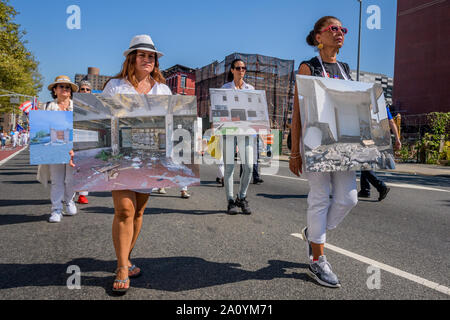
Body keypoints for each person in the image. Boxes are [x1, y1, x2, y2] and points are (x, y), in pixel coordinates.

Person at [289, 16, 357, 288]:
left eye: (343, 29)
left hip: (342, 146)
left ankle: (313, 233)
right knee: (319, 199)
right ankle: (318, 260)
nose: (340, 33)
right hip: (315, 144)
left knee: (348, 199)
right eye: (333, 29)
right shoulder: (309, 67)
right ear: (318, 37)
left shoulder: (345, 69)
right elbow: (297, 112)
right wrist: (295, 151)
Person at [102, 34, 172, 294]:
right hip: (120, 158)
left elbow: (171, 125)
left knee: (139, 211)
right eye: (142, 55)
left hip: (150, 158)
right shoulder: (115, 87)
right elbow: (101, 122)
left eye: (151, 56)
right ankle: (122, 267)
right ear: (131, 59)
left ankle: (126, 257)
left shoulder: (163, 90)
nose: (147, 59)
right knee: (124, 211)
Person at [37, 75, 79, 223]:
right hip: (54, 148)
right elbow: (42, 129)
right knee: (56, 180)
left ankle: (69, 201)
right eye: (61, 86)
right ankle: (56, 209)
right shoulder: (47, 106)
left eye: (67, 87)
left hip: (74, 149)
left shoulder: (78, 107)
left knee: (71, 179)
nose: (65, 89)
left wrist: (76, 147)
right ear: (55, 90)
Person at [221, 58, 255, 215]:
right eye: (238, 68)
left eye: (243, 68)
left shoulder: (251, 88)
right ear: (232, 70)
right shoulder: (225, 88)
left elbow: (255, 109)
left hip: (245, 130)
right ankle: (230, 201)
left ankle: (241, 197)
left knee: (248, 166)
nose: (241, 70)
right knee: (229, 167)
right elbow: (219, 110)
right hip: (229, 130)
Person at [358, 105, 402, 201]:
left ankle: (381, 187)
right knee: (366, 162)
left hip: (367, 139)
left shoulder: (363, 103)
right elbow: (391, 122)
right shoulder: (382, 106)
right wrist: (398, 139)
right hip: (379, 140)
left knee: (364, 164)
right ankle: (365, 190)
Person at [76, 80, 92, 205]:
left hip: (88, 138)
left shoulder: (94, 105)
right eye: (83, 89)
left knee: (86, 168)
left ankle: (82, 194)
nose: (85, 91)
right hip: (73, 138)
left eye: (87, 89)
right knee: (72, 169)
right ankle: (69, 194)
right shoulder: (71, 103)